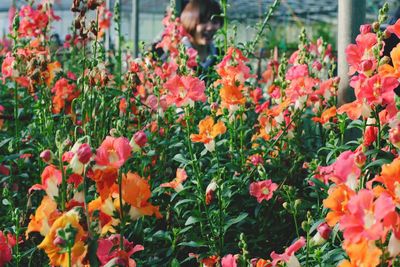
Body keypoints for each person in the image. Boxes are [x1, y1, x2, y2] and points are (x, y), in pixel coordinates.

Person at [179, 0, 223, 70]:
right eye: (203, 21)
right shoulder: (177, 55)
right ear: (190, 22)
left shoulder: (221, 56)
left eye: (215, 22)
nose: (210, 27)